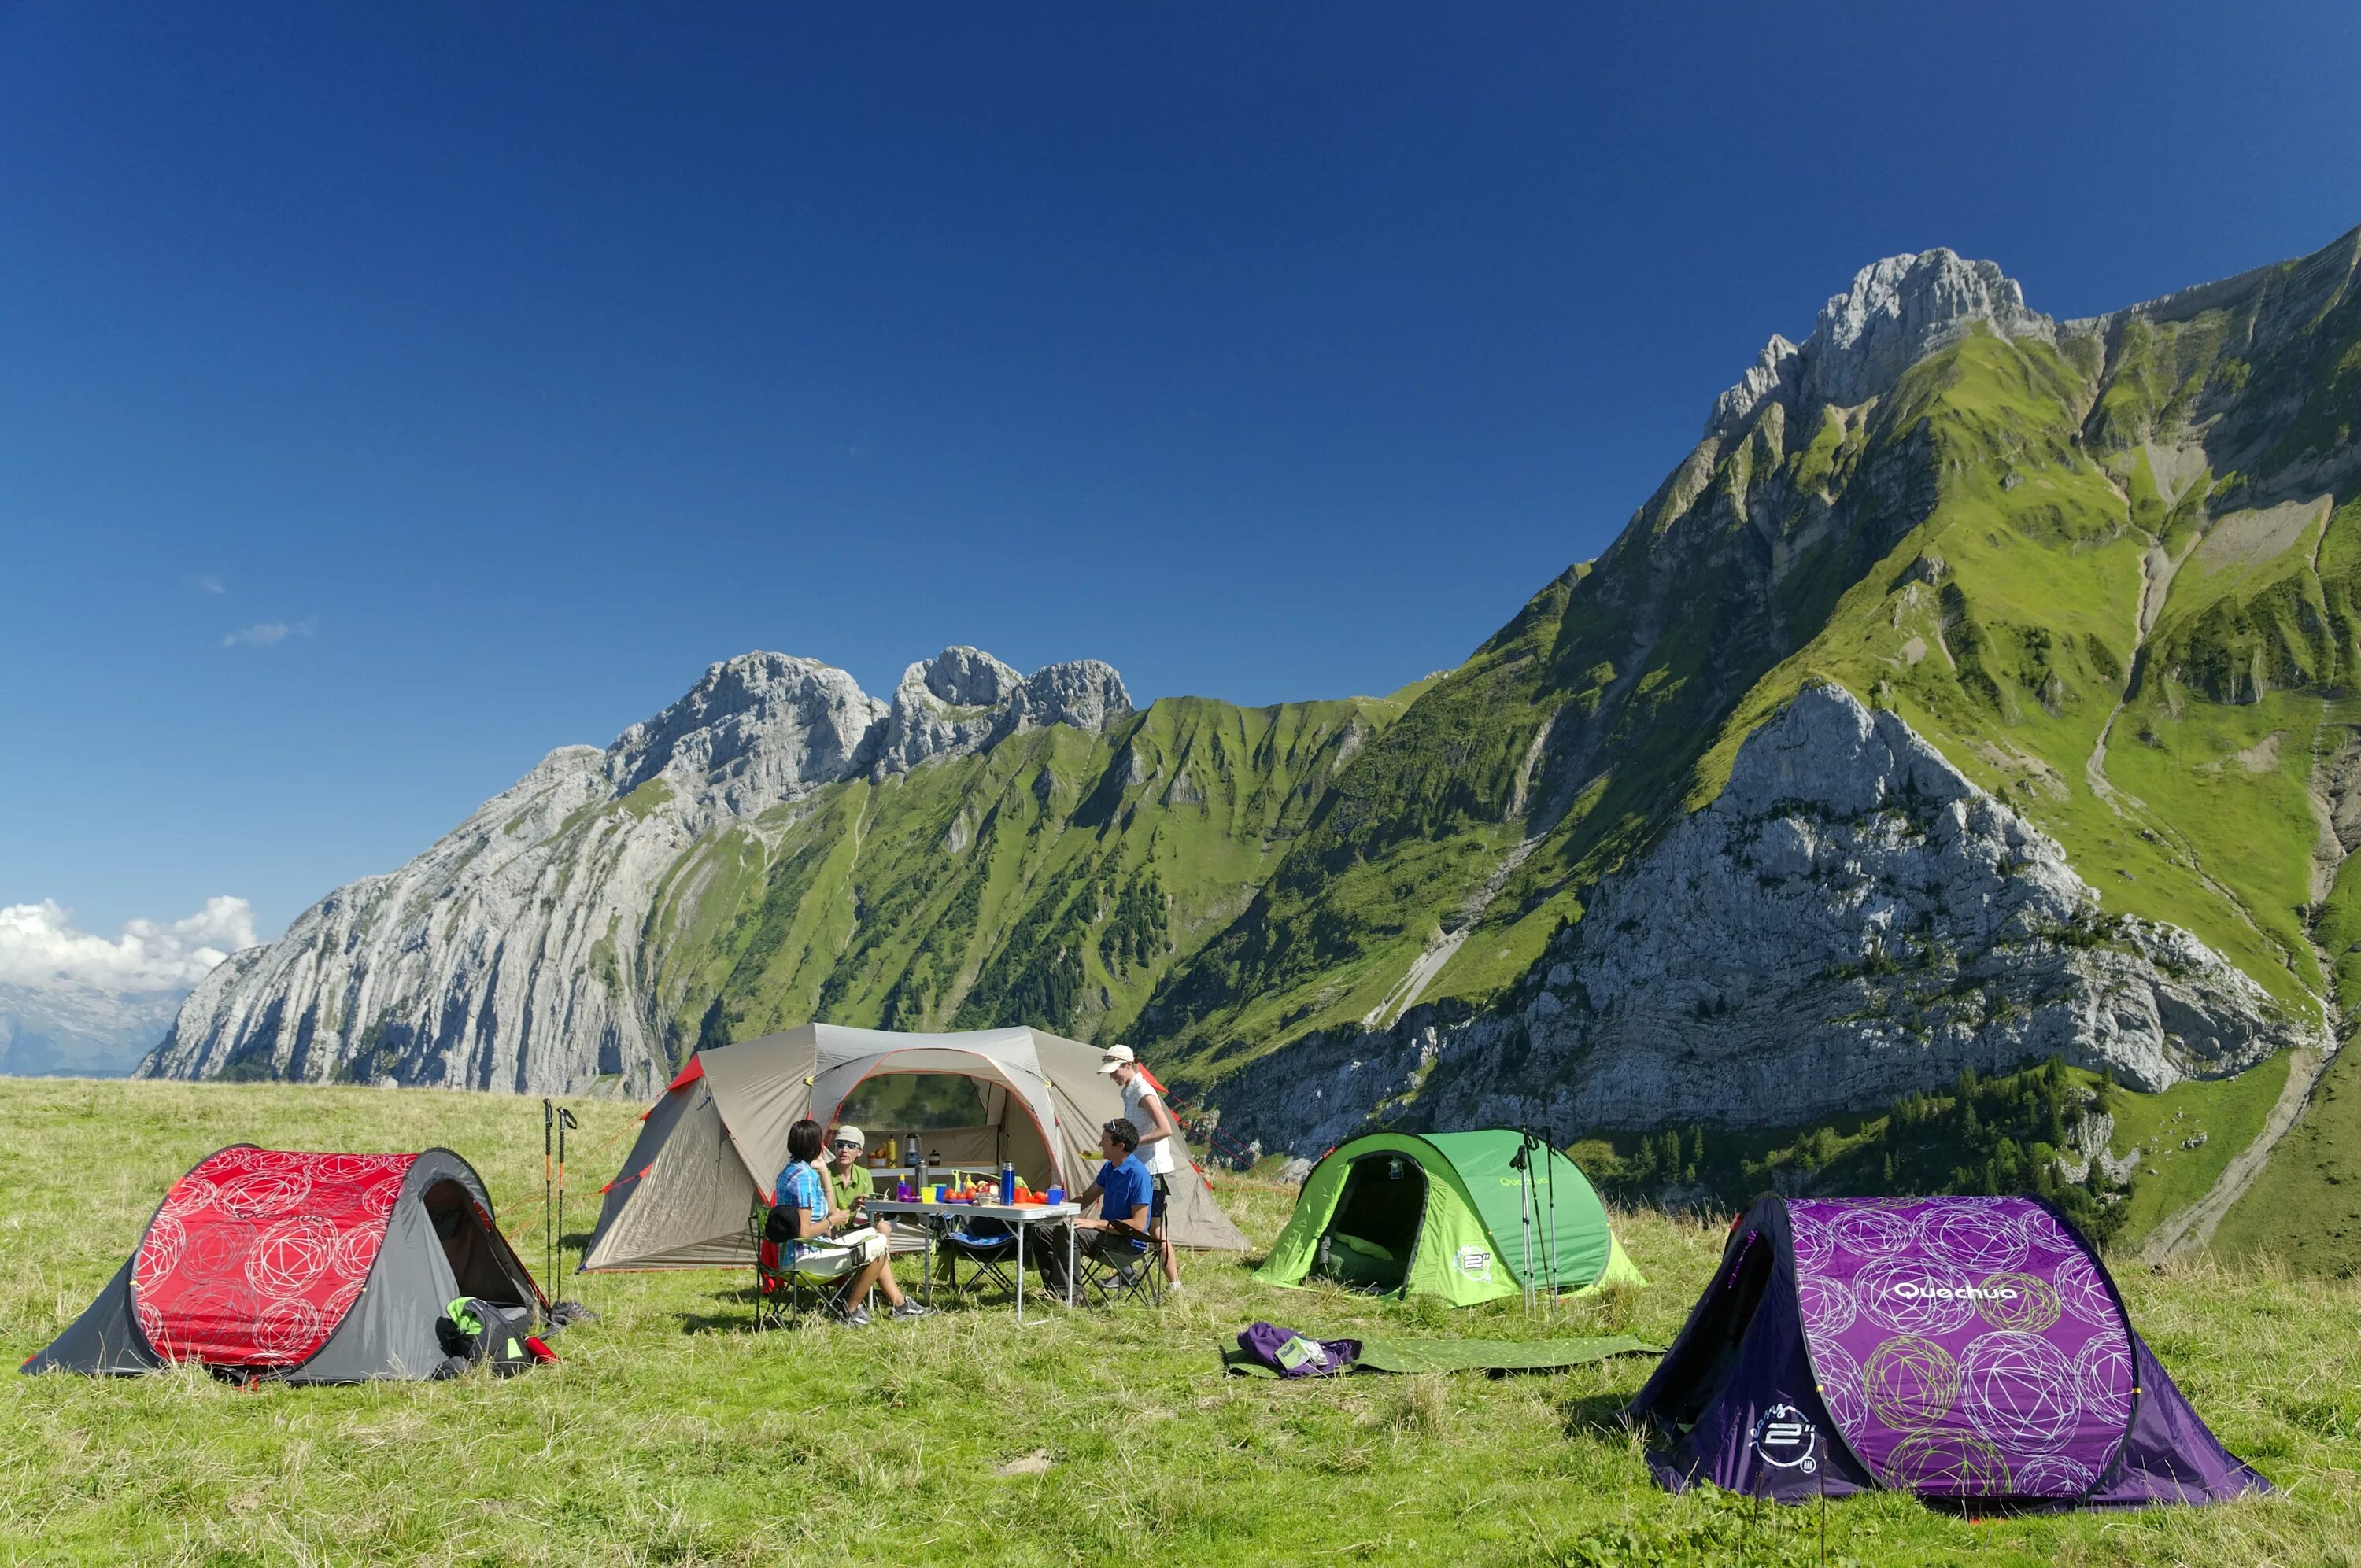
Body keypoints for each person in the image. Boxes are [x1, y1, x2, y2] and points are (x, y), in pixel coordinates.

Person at [774, 1118, 927, 1326]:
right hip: (807, 1257)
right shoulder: (804, 1178)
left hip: (798, 1252)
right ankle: (851, 1310)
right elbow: (804, 1230)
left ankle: (899, 1305)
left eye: (850, 1146)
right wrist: (832, 1220)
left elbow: (824, 1213)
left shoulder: (791, 1170)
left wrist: (825, 1173)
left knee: (878, 1237)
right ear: (816, 1145)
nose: (842, 1149)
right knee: (879, 1244)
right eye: (835, 1144)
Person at [1099, 1045, 1184, 1293]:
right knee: (1127, 1222)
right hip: (1140, 1168)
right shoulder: (1129, 1089)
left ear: (1128, 1064)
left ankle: (1174, 1286)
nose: (1112, 1076)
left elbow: (1165, 1129)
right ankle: (1127, 1274)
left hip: (1152, 1171)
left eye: (1115, 1071)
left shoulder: (1143, 1090)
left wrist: (1132, 1143)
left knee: (1155, 1230)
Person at [1042, 1118, 1156, 1298]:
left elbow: (1138, 1225)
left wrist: (1094, 1224)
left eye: (1105, 1141)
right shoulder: (1109, 1168)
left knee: (1070, 1232)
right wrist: (1054, 1209)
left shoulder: (1138, 1174)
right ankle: (1054, 1291)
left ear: (1120, 1146)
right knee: (1042, 1230)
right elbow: (1087, 1197)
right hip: (1107, 1235)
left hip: (1127, 1243)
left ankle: (1072, 1297)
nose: (1099, 1144)